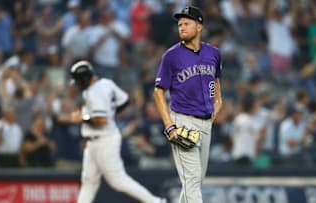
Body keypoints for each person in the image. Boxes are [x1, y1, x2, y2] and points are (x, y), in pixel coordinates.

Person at [68, 60, 166, 203]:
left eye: (78, 81)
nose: (76, 84)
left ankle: (156, 202)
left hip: (104, 139)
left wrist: (83, 118)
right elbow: (125, 101)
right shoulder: (107, 84)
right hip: (97, 140)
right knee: (89, 182)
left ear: (84, 79)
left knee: (117, 180)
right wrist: (110, 112)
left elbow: (102, 120)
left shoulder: (94, 91)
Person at [153, 5, 223, 203]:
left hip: (205, 123)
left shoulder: (214, 54)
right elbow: (158, 92)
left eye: (186, 23)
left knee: (195, 181)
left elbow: (213, 82)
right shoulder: (171, 56)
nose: (181, 27)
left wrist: (216, 104)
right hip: (182, 120)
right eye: (180, 24)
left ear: (199, 27)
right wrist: (169, 125)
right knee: (192, 180)